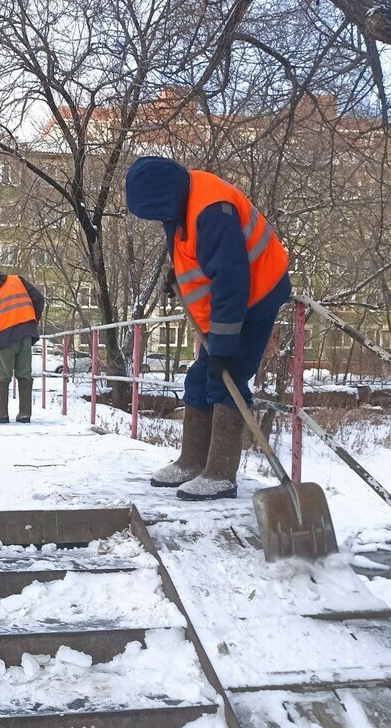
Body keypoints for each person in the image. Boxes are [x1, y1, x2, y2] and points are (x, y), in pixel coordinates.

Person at [125, 156, 291, 501]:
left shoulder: (213, 210)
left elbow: (231, 282)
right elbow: (194, 251)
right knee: (198, 378)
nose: (156, 220)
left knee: (226, 377)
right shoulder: (180, 200)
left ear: (164, 197)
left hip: (256, 294)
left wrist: (224, 347)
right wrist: (179, 278)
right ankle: (192, 462)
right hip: (228, 301)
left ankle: (220, 475)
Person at [0, 266, 45, 424]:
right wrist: (32, 321)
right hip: (25, 333)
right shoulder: (17, 280)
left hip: (3, 337)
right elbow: (39, 299)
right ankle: (25, 414)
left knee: (2, 375)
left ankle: (0, 414)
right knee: (24, 373)